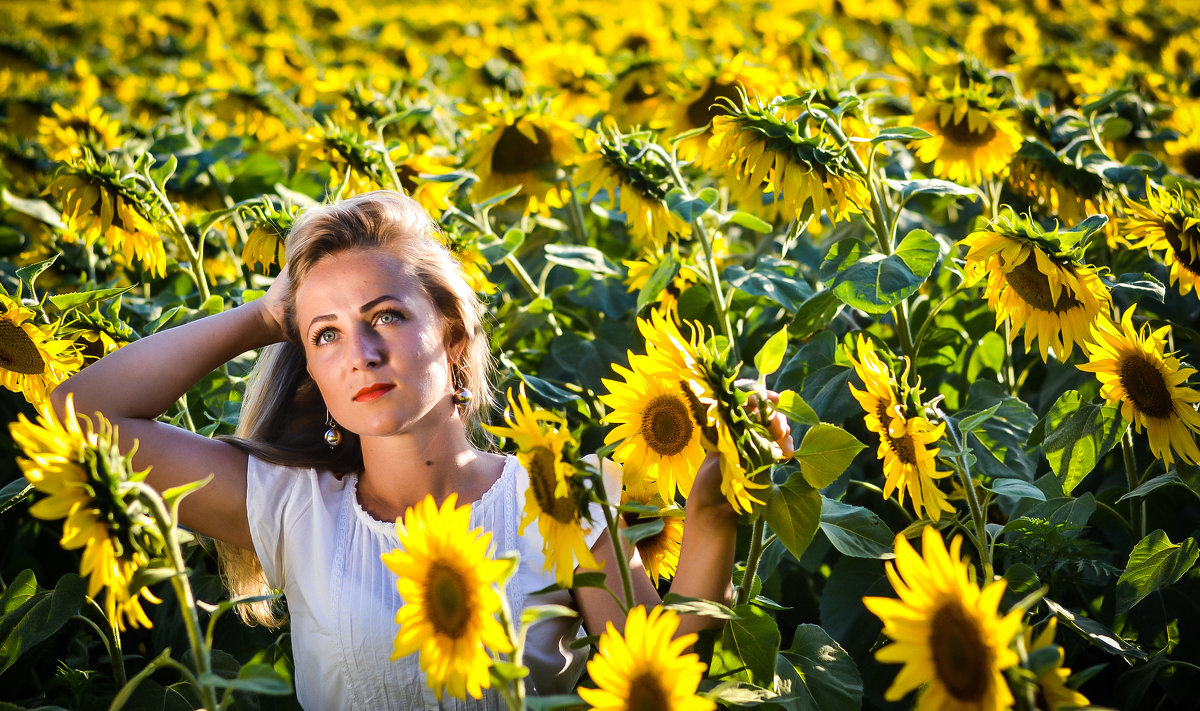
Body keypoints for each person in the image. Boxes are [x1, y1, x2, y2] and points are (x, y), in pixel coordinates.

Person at [51, 190, 792, 709]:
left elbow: (659, 662)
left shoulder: (555, 492)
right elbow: (78, 413)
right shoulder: (294, 508)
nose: (361, 354)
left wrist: (713, 512)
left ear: (452, 334)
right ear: (309, 366)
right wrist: (266, 314)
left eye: (386, 316)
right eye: (327, 335)